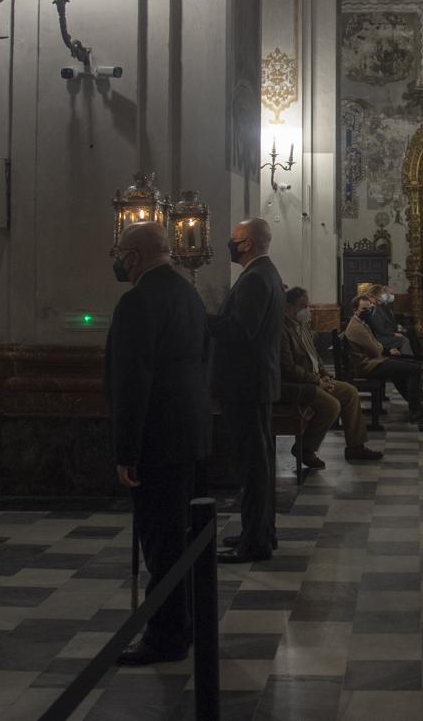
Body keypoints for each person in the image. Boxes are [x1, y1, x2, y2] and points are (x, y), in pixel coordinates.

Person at [105, 223, 212, 666]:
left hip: (157, 438)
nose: (116, 259)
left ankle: (166, 636)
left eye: (118, 251)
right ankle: (184, 624)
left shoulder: (137, 302)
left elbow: (133, 381)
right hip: (191, 431)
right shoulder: (189, 293)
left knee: (162, 541)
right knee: (182, 537)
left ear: (134, 256)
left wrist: (125, 451)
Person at [208, 218, 285, 564]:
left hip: (246, 384)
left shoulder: (255, 278)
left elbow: (241, 331)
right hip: (255, 383)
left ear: (248, 244)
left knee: (253, 466)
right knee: (260, 463)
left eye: (234, 238)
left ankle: (255, 542)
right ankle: (261, 531)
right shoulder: (265, 273)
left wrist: (203, 318)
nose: (230, 242)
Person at [280, 287, 382, 467]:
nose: (307, 309)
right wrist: (317, 381)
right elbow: (288, 368)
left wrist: (324, 374)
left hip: (315, 378)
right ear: (288, 306)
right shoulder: (282, 329)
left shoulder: (302, 325)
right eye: (303, 306)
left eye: (308, 305)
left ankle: (355, 447)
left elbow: (314, 355)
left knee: (349, 392)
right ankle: (306, 448)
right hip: (298, 384)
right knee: (331, 405)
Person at [345, 295, 423, 427]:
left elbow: (374, 344)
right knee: (415, 369)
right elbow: (375, 348)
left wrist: (386, 350)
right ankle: (415, 409)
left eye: (369, 309)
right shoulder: (356, 327)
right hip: (369, 365)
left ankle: (417, 401)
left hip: (373, 361)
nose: (367, 312)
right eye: (364, 309)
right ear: (355, 310)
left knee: (406, 368)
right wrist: (385, 350)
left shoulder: (360, 323)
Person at [366, 284, 423, 360]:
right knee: (404, 339)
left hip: (385, 334)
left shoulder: (382, 307)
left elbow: (389, 323)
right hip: (380, 338)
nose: (385, 295)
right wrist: (394, 333)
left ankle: (412, 359)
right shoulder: (376, 310)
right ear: (376, 295)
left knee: (406, 336)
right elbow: (380, 329)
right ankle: (408, 361)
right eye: (382, 293)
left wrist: (397, 330)